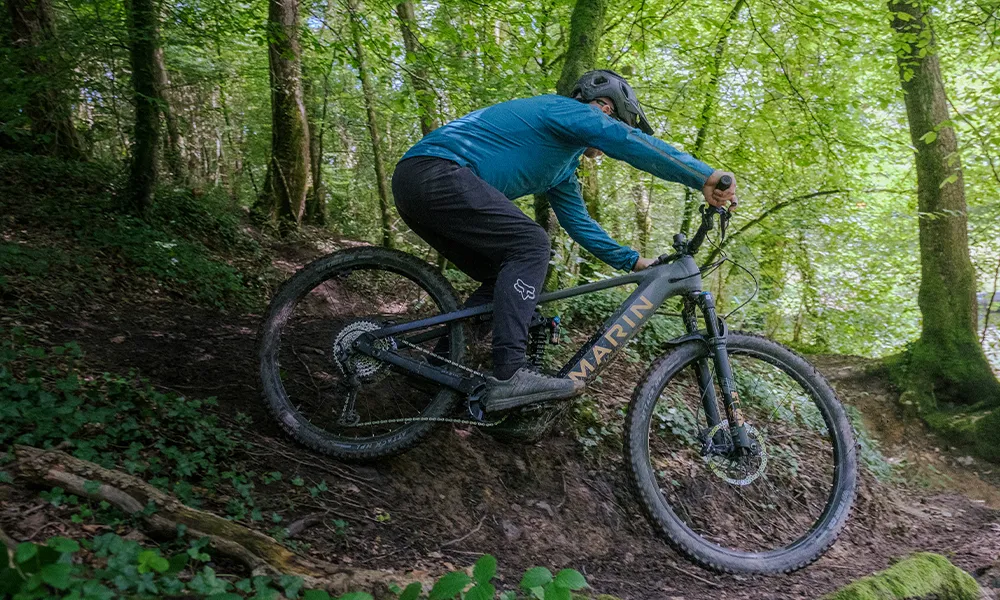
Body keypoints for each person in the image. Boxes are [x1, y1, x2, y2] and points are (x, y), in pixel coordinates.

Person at [392, 70, 737, 413]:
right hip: (435, 172)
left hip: (420, 187)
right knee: (531, 244)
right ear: (604, 108)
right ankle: (509, 375)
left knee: (505, 274)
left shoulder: (562, 165)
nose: (618, 130)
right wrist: (703, 176)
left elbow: (579, 223)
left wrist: (632, 261)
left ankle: (436, 368)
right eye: (619, 120)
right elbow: (627, 143)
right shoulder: (565, 110)